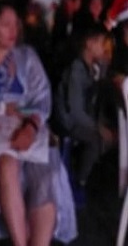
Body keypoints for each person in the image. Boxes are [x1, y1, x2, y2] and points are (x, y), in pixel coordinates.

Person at [0, 0, 77, 246]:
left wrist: (30, 124)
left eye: (15, 25)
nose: (13, 31)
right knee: (8, 163)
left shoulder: (27, 56)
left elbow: (43, 99)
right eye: (5, 25)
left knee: (46, 174)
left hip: (29, 131)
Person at [54, 24, 115, 186]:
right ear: (89, 43)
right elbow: (75, 112)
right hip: (68, 122)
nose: (104, 48)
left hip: (82, 118)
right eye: (102, 43)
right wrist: (98, 128)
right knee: (98, 140)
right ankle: (79, 181)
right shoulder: (76, 70)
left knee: (111, 134)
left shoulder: (90, 68)